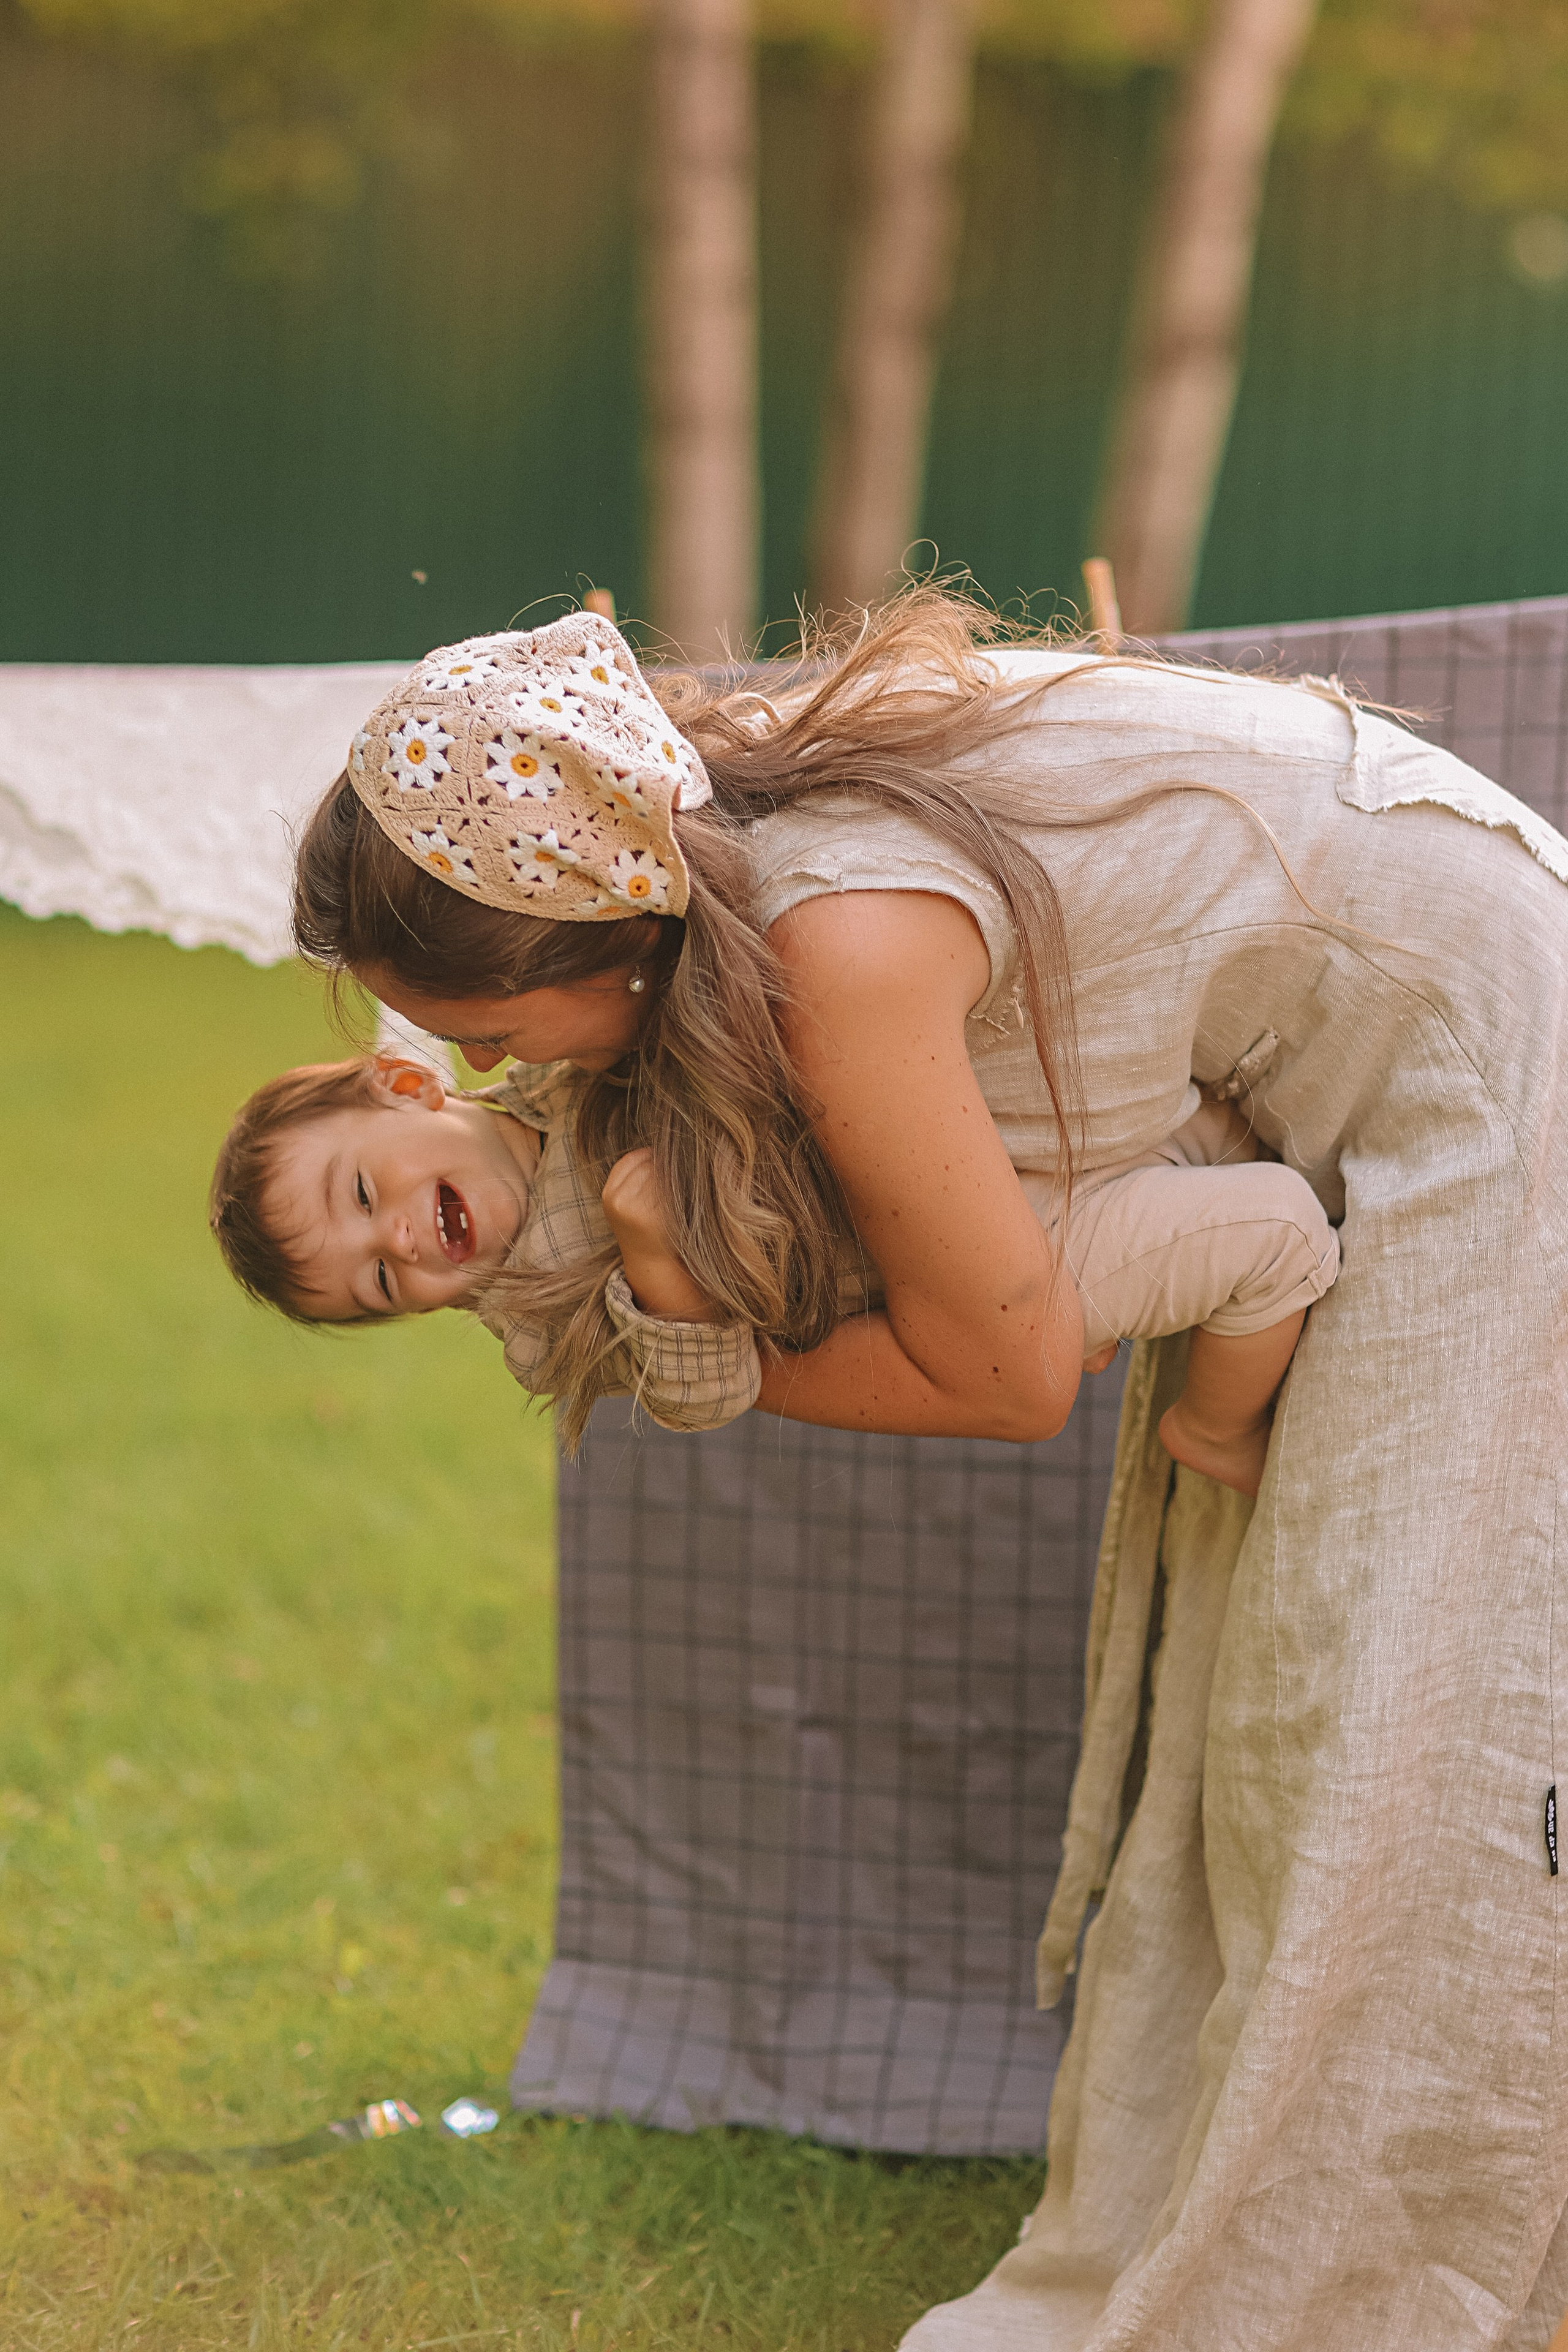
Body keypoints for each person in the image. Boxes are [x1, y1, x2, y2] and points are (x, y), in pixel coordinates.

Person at [284, 595, 1568, 2348]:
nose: (495, 1073)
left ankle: (1357, 2282)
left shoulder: (834, 946)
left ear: (594, 927)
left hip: (1493, 1075)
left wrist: (696, 1336)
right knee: (1270, 1698)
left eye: (493, 1032)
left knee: (1388, 1726)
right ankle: (1252, 2209)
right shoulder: (731, 841)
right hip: (1358, 1081)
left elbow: (1013, 1367)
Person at [208, 1049, 1338, 1493]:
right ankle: (1216, 1429)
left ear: (407, 1087)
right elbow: (707, 1395)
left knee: (1221, 1132)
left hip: (970, 1146)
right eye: (378, 1286)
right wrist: (655, 1260)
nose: (398, 1244)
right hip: (969, 1266)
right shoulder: (542, 1322)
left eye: (363, 1197)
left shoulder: (560, 1064)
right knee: (1277, 1232)